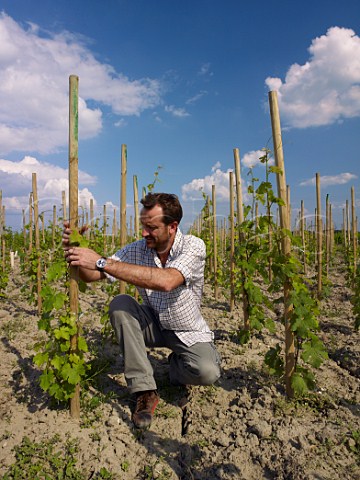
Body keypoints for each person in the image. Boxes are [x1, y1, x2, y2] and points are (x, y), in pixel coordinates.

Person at [63, 192, 221, 429]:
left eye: (152, 227)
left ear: (172, 226)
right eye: (142, 226)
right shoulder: (138, 249)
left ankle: (176, 365)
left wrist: (101, 261)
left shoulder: (194, 246)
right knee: (121, 304)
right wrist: (77, 253)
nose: (144, 233)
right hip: (154, 323)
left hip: (187, 331)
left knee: (207, 372)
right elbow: (94, 275)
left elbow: (167, 281)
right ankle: (144, 390)